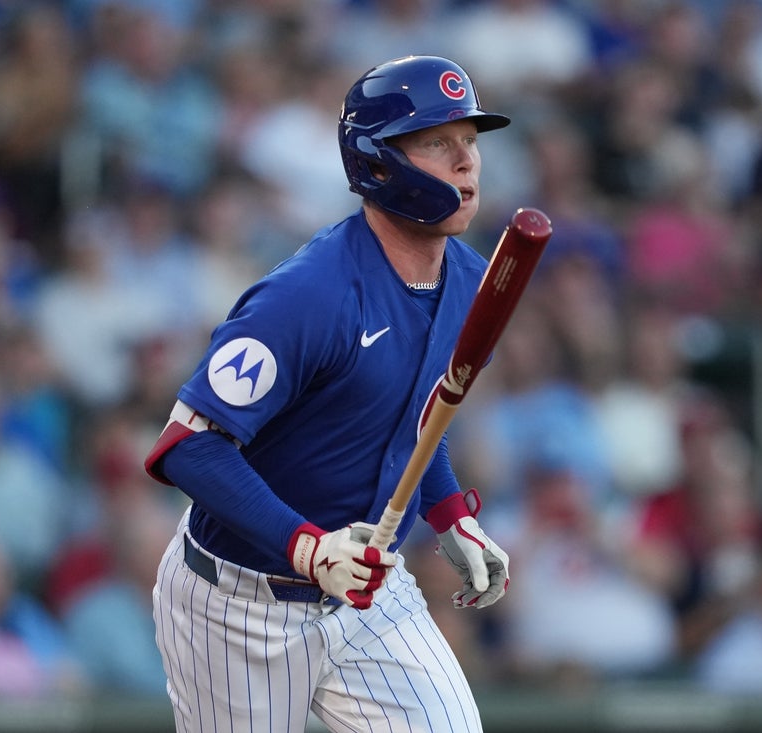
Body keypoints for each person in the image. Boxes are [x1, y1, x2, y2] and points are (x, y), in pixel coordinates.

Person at [144, 55, 512, 732]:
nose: (467, 161)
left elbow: (415, 419)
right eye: (438, 142)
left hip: (370, 590)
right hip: (238, 604)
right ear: (379, 163)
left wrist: (450, 515)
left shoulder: (471, 282)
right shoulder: (307, 294)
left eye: (469, 139)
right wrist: (309, 548)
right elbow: (187, 448)